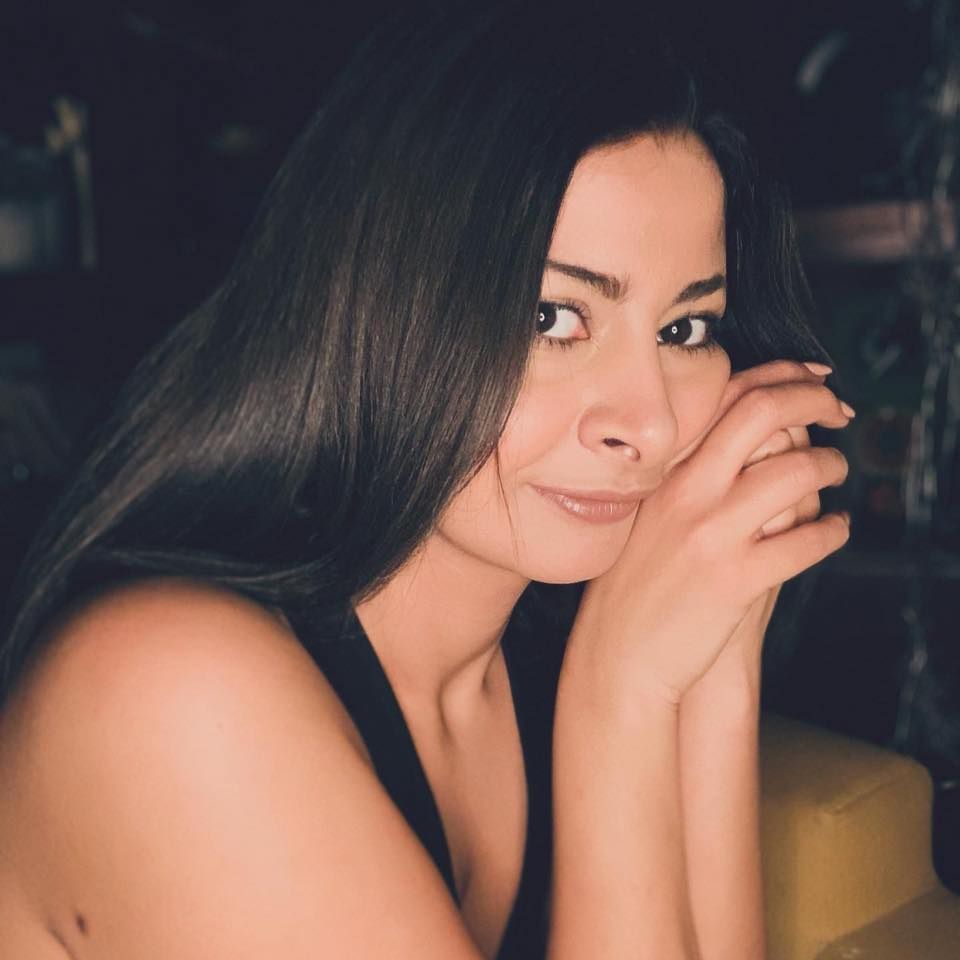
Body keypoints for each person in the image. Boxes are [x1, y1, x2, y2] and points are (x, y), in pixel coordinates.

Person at [0, 6, 853, 958]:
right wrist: (619, 706)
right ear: (377, 300)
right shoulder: (169, 694)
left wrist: (720, 659)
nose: (648, 422)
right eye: (551, 317)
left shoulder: (545, 643)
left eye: (685, 330)